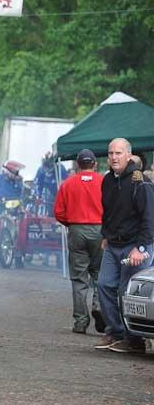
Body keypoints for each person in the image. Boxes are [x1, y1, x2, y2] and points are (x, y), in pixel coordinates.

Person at [94, 138, 154, 354]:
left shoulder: (140, 181)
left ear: (128, 155)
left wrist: (142, 248)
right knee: (103, 284)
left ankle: (134, 340)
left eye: (118, 153)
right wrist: (105, 235)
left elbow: (149, 217)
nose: (113, 157)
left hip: (135, 246)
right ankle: (115, 332)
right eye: (110, 153)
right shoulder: (107, 180)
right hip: (112, 243)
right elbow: (108, 211)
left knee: (125, 291)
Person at [53, 149, 106, 334]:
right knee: (100, 273)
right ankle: (99, 306)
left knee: (79, 278)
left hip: (76, 229)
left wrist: (72, 224)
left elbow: (58, 211)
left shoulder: (68, 183)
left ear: (77, 164)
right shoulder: (104, 182)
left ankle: (81, 321)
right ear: (95, 164)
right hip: (100, 229)